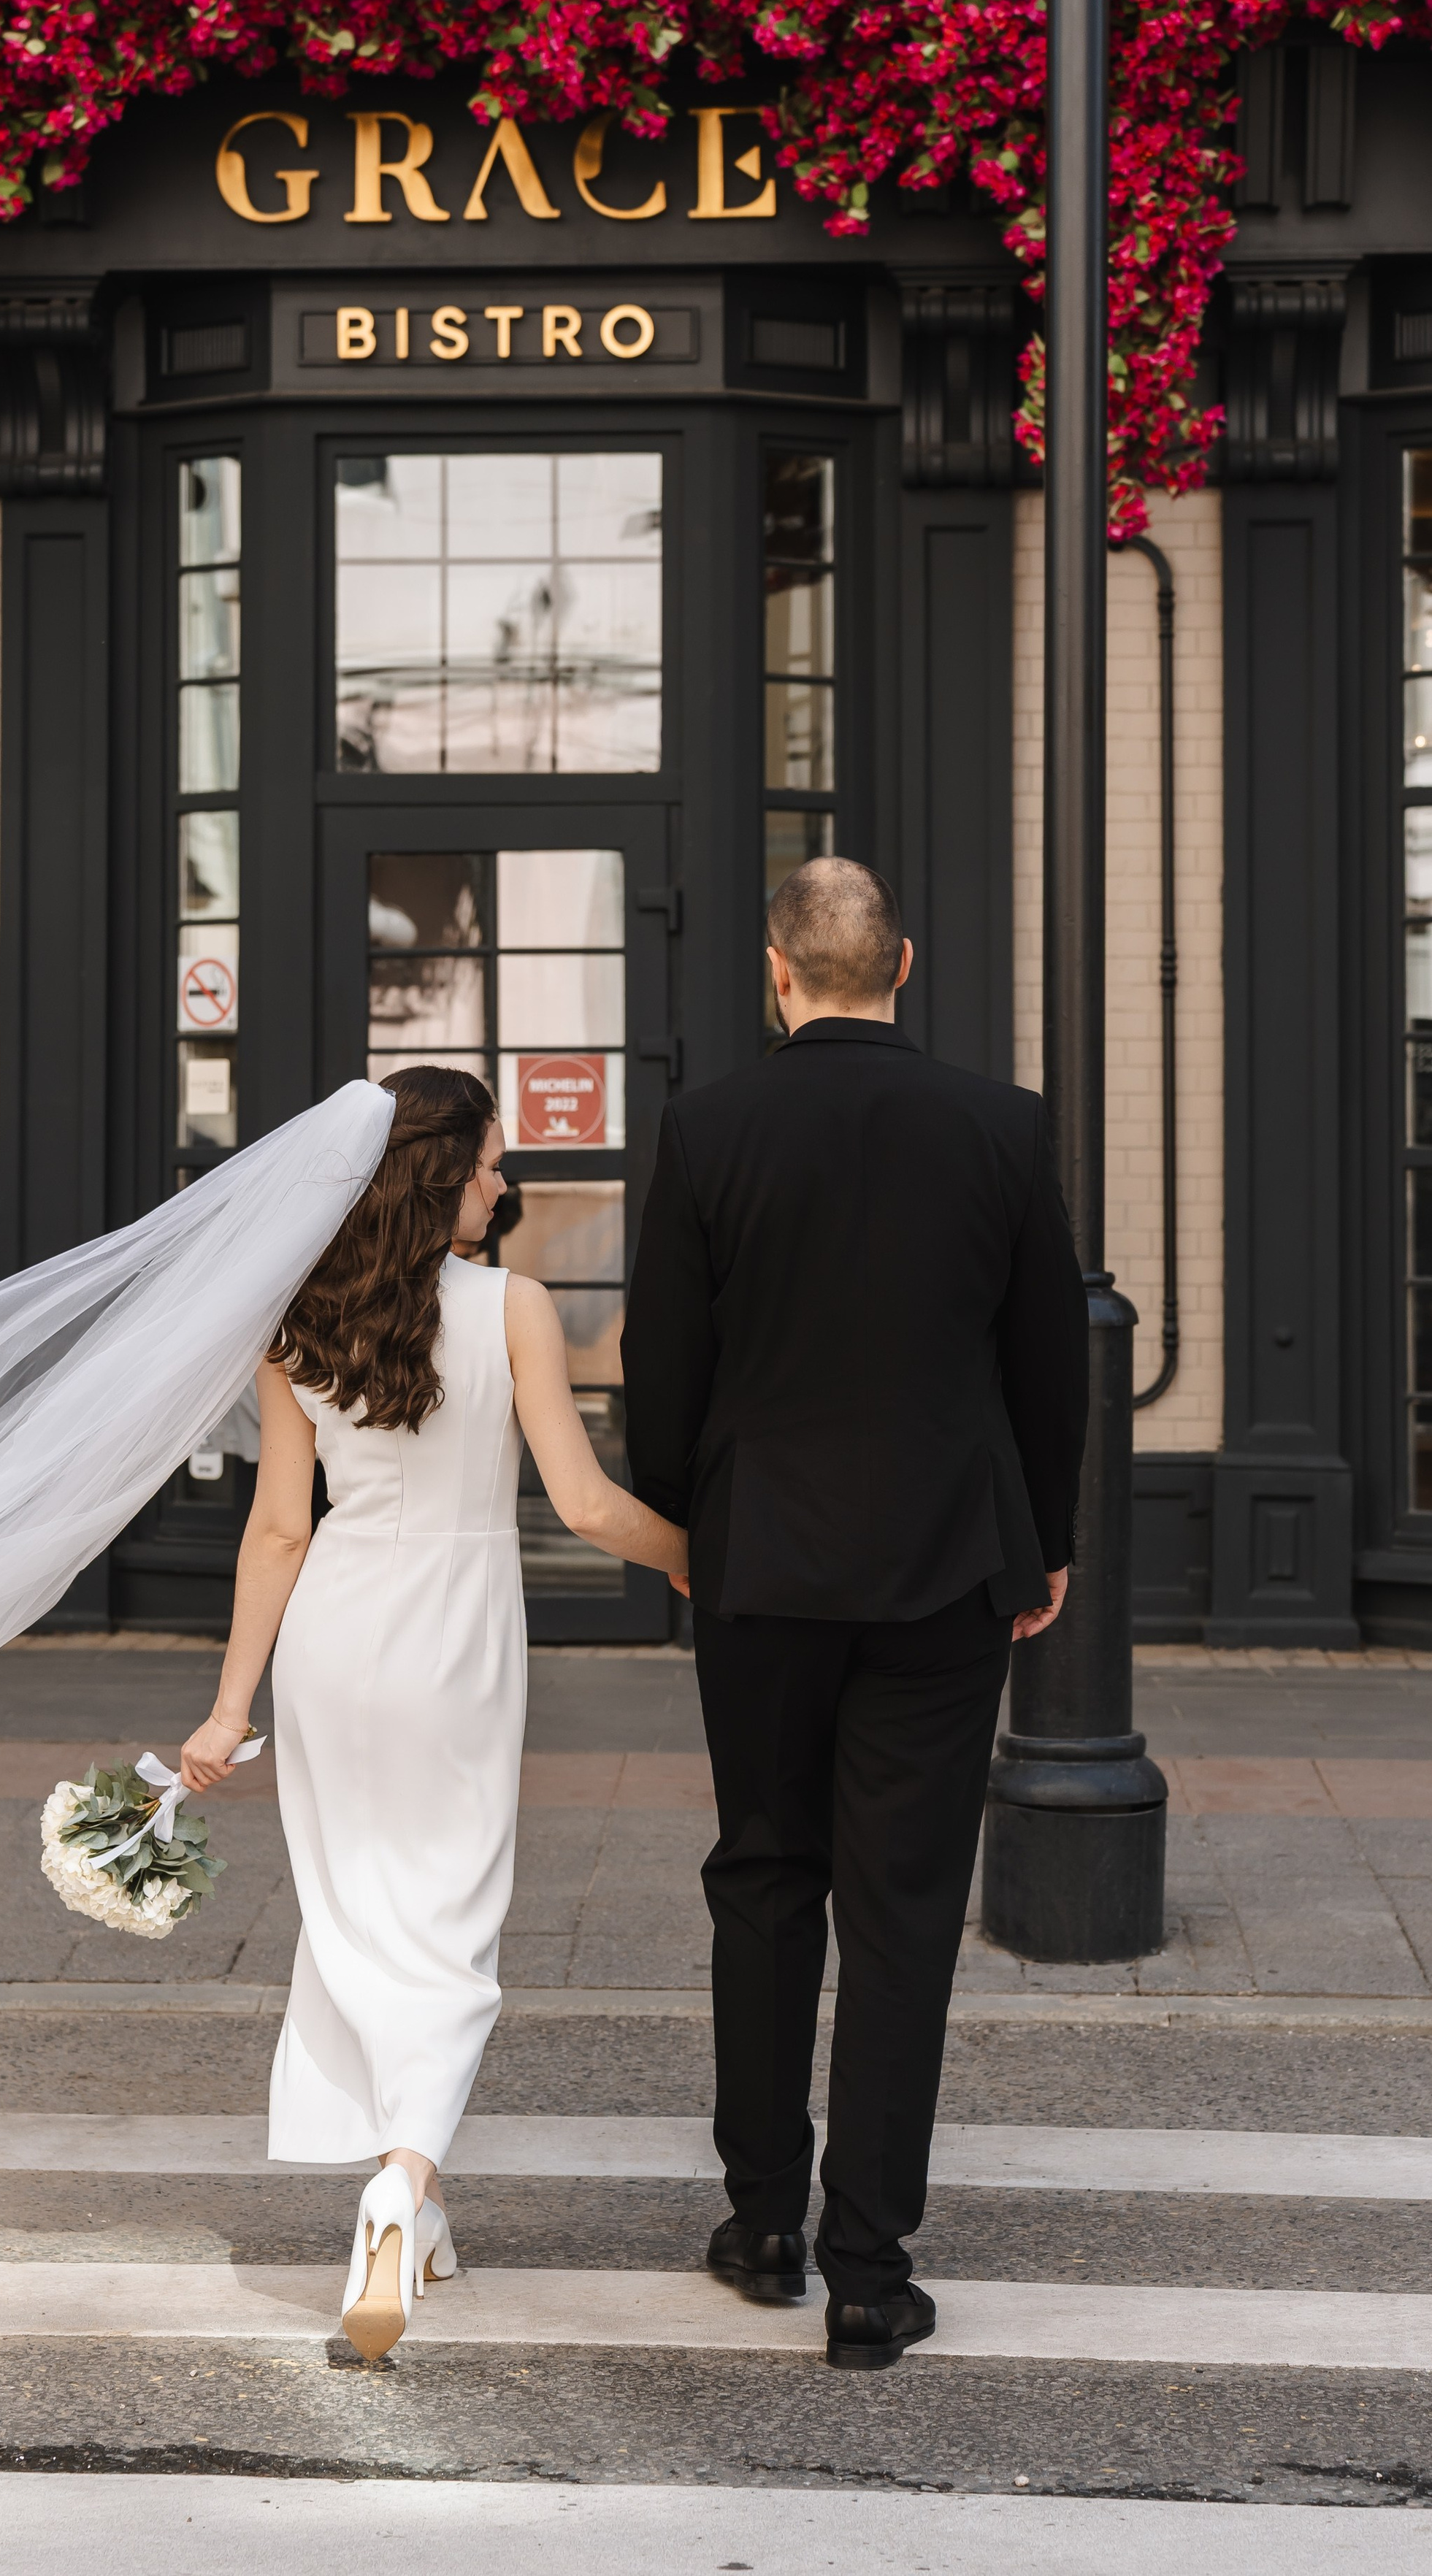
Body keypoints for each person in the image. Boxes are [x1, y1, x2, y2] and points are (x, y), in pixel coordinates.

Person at [621, 856, 1087, 2371]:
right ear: (899, 963)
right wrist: (1047, 1542)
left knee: (761, 1873)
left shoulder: (706, 1128)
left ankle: (759, 2218)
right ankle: (868, 2270)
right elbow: (1046, 1360)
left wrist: (689, 1518)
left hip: (758, 1562)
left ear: (776, 972)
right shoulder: (1000, 1127)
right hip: (945, 1562)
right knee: (900, 1914)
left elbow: (664, 1365)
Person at [177, 1065, 689, 2362]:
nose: (505, 1187)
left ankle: (433, 2217)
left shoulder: (297, 1320)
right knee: (449, 1920)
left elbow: (281, 1530)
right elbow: (581, 1504)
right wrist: (697, 1557)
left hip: (336, 1638)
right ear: (439, 1176)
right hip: (456, 1632)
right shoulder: (515, 1307)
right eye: (490, 1168)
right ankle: (397, 2189)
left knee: (363, 1908)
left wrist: (230, 1706)